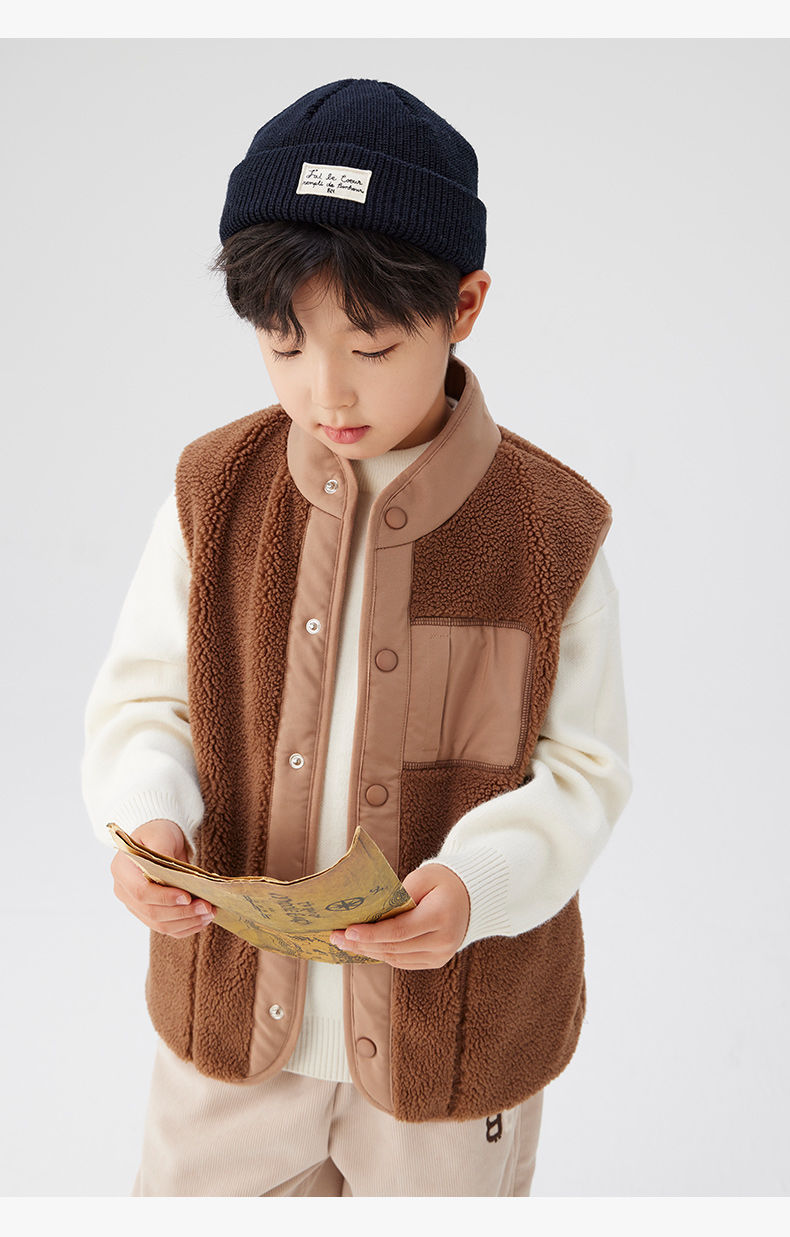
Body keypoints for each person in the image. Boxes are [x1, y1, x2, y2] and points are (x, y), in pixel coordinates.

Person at [81, 77, 632, 1197]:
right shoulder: (212, 493)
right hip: (228, 1035)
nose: (324, 391)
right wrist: (149, 821)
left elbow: (582, 772)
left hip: (453, 1053)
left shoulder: (551, 530)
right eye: (283, 344)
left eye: (371, 346)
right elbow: (147, 702)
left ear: (464, 305)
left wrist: (475, 884)